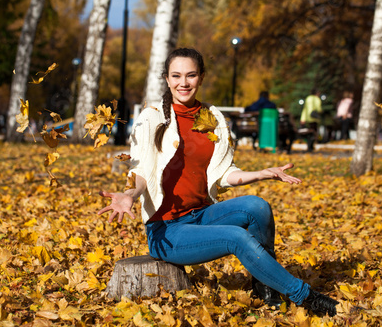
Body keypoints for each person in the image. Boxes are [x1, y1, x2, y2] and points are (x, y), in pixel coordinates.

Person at [97, 48, 339, 317]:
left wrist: (260, 173)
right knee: (236, 236)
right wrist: (130, 193)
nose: (183, 83)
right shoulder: (152, 117)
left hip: (201, 214)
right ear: (166, 79)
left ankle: (264, 287)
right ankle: (305, 297)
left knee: (257, 207)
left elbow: (223, 173)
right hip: (168, 231)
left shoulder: (212, 118)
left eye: (191, 75)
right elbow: (141, 170)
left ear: (201, 77)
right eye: (176, 76)